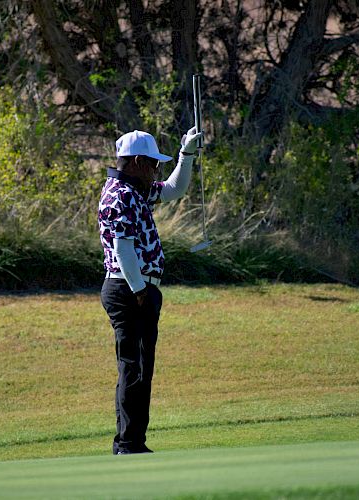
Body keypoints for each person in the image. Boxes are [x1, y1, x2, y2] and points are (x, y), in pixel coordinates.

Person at [98, 127, 202, 455]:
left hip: (136, 288)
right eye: (154, 163)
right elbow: (123, 247)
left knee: (139, 369)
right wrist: (140, 290)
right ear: (139, 161)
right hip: (129, 289)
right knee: (134, 368)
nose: (157, 169)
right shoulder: (121, 194)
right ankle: (128, 444)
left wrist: (186, 153)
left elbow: (174, 189)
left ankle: (131, 442)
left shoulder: (135, 189)